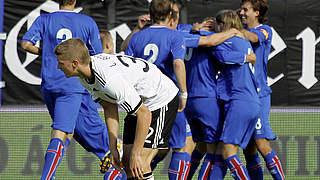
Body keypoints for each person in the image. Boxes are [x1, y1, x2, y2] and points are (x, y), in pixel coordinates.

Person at [54, 38, 180, 180]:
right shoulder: (83, 75)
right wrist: (113, 148)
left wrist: (136, 153)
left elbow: (144, 114)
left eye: (61, 63)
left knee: (140, 164)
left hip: (159, 99)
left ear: (75, 63)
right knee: (126, 163)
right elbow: (109, 107)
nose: (59, 67)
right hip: (140, 102)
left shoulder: (109, 80)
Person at [21, 0, 112, 179]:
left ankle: (110, 161)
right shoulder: (87, 22)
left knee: (74, 130)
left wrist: (44, 51)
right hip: (73, 86)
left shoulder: (45, 19)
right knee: (62, 131)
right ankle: (47, 177)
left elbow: (25, 44)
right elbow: (97, 56)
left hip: (49, 84)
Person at [239, 0, 285, 179]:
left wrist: (233, 29)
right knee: (248, 148)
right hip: (243, 96)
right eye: (241, 9)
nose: (241, 12)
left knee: (261, 143)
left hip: (258, 95)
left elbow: (254, 38)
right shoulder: (238, 32)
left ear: (257, 12)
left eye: (245, 9)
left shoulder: (264, 30)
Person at [213, 10, 259, 180]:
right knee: (223, 150)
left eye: (215, 25)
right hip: (251, 101)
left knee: (228, 151)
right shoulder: (243, 41)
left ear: (222, 24)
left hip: (240, 101)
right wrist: (247, 57)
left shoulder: (227, 41)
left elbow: (221, 55)